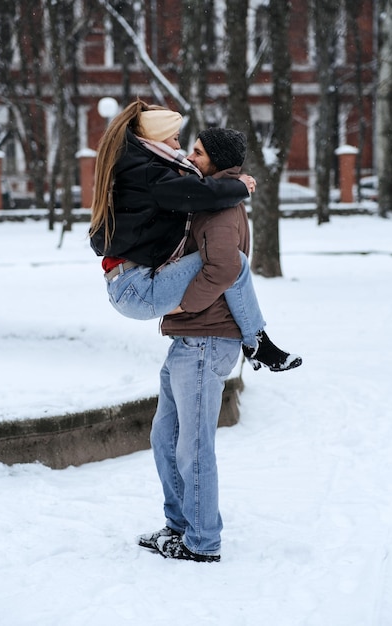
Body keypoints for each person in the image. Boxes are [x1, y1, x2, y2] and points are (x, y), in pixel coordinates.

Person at [136, 128, 301, 563]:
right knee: (165, 437)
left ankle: (202, 541)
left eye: (198, 151)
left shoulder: (221, 208)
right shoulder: (209, 197)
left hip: (206, 339)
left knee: (193, 446)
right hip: (191, 339)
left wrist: (183, 305)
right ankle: (179, 524)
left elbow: (226, 268)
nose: (190, 155)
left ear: (218, 160)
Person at [90, 98, 300, 370]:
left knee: (231, 262)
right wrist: (237, 186)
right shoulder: (148, 173)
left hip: (128, 284)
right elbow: (197, 193)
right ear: (156, 138)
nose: (179, 147)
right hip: (137, 289)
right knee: (234, 263)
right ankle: (257, 341)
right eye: (175, 138)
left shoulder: (138, 168)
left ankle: (257, 341)